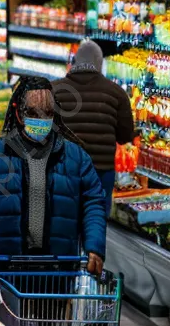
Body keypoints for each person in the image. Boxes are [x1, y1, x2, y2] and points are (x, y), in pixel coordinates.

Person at [0, 75, 107, 273]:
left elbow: (93, 203)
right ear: (18, 113)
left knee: (52, 305)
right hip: (8, 269)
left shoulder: (76, 157)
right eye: (32, 113)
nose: (40, 120)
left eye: (46, 113)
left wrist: (95, 246)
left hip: (59, 270)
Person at [54, 39, 135, 210]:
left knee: (63, 218)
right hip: (101, 171)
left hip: (63, 169)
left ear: (74, 62)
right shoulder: (117, 93)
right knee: (95, 221)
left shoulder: (54, 89)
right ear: (100, 64)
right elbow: (125, 136)